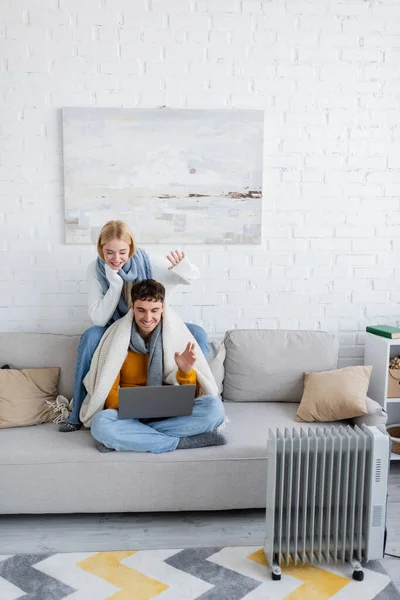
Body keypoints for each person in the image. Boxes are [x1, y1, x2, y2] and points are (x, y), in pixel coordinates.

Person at [60, 220, 209, 432]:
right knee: (91, 335)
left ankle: (199, 401)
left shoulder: (148, 261)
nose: (116, 259)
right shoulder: (95, 270)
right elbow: (99, 319)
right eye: (109, 252)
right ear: (100, 249)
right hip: (116, 326)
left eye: (122, 252)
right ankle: (77, 415)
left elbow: (191, 277)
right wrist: (115, 284)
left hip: (150, 324)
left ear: (131, 248)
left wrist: (184, 268)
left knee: (197, 333)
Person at [79, 279, 226, 453]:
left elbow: (189, 398)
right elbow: (108, 394)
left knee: (214, 408)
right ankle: (180, 442)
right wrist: (139, 408)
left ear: (163, 308)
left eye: (154, 310)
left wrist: (185, 372)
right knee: (101, 424)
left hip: (169, 414)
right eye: (141, 310)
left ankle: (132, 439)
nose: (148, 318)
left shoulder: (174, 337)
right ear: (133, 307)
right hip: (127, 414)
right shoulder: (118, 339)